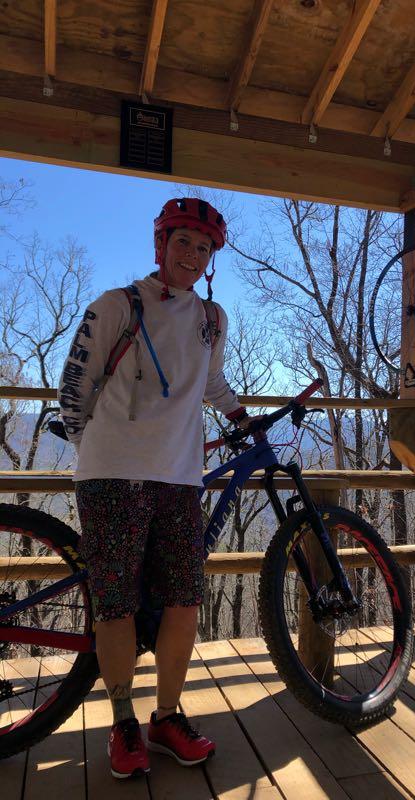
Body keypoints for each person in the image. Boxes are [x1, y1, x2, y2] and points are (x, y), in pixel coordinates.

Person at [58, 197, 253, 779]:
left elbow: (211, 380)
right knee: (115, 605)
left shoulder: (212, 318)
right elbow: (75, 385)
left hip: (180, 478)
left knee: (185, 600)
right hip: (113, 474)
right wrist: (100, 446)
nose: (192, 255)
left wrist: (241, 419)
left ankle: (165, 718)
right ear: (160, 244)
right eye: (182, 242)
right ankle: (123, 725)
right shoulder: (117, 305)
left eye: (204, 246)